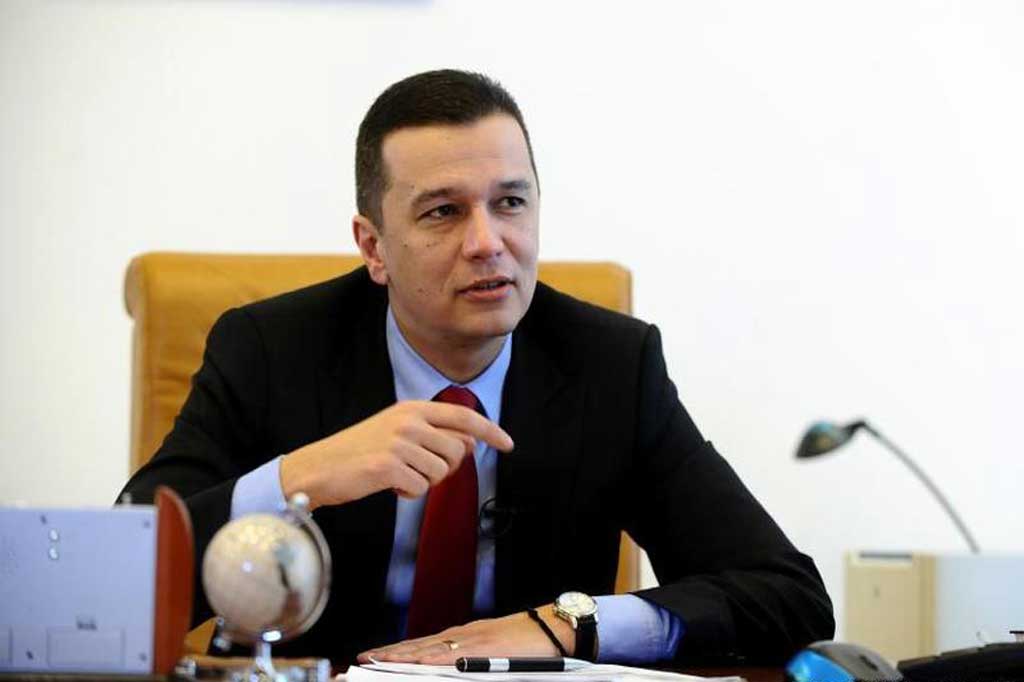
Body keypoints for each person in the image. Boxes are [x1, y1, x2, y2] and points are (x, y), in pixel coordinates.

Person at [120, 69, 834, 667]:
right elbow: (121, 572)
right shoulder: (269, 350)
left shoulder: (612, 365)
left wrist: (570, 625)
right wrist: (298, 478)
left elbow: (787, 594)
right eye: (443, 212)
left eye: (510, 203)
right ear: (373, 247)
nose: (488, 242)